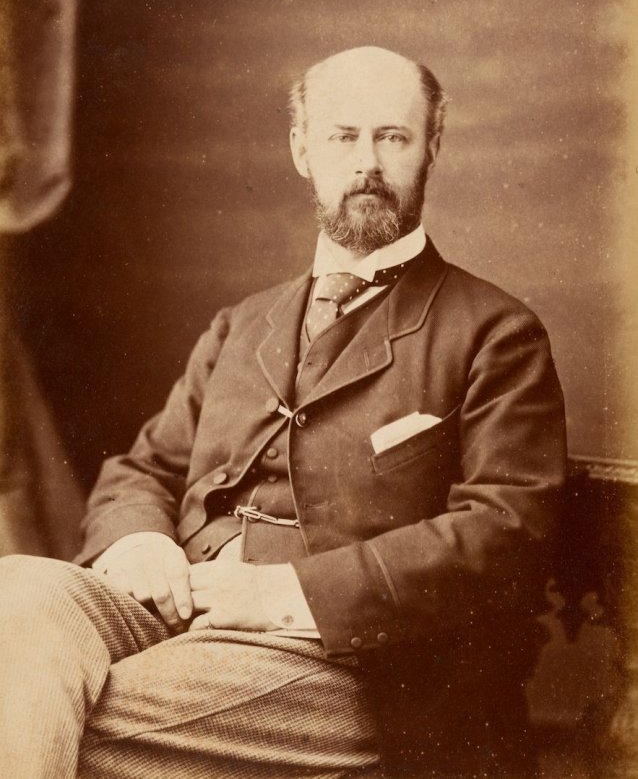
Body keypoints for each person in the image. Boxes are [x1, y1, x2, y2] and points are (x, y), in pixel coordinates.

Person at [0, 46, 566, 779]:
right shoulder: (242, 325)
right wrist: (140, 543)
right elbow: (145, 468)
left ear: (432, 146)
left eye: (392, 137)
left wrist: (283, 592)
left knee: (53, 708)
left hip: (346, 658)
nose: (367, 162)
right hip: (180, 609)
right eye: (342, 136)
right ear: (302, 150)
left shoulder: (495, 332)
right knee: (17, 591)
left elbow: (507, 528)